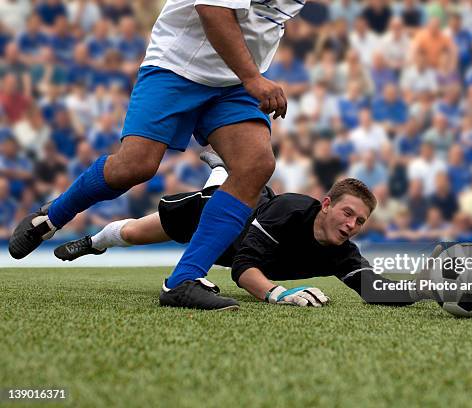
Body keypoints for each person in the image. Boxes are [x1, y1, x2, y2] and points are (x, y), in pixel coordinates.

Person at [9, 0, 299, 310]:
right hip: (178, 66)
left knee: (255, 165)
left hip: (234, 82)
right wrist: (254, 78)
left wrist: (250, 77)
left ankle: (183, 280)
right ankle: (51, 217)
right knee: (134, 166)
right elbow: (212, 10)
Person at [54, 152, 416, 309]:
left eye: (360, 222)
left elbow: (374, 287)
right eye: (348, 213)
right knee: (132, 234)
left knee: (232, 185)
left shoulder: (341, 250)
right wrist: (278, 294)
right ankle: (93, 241)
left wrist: (435, 289)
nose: (352, 225)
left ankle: (222, 169)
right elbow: (243, 269)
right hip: (210, 217)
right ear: (325, 204)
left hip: (248, 216)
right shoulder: (292, 211)